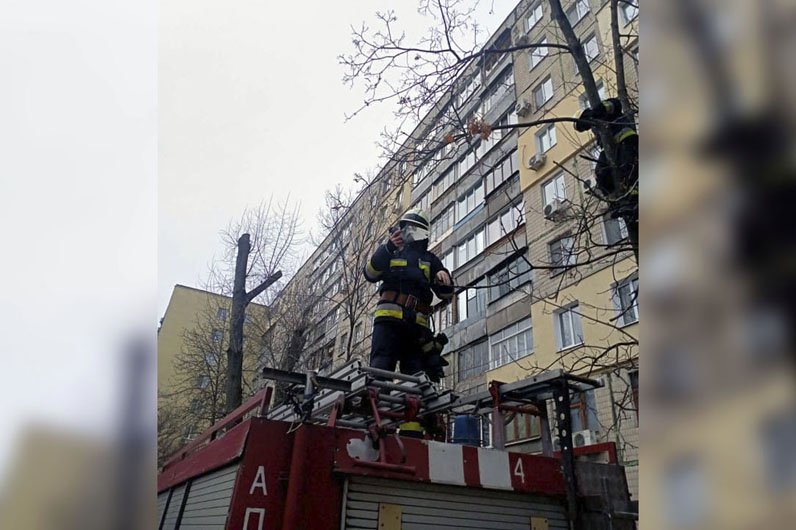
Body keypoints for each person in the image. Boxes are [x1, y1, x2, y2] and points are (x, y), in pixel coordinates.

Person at [363, 208, 454, 381]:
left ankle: (412, 405)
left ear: (423, 233)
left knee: (416, 375)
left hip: (417, 328)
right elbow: (370, 274)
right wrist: (388, 248)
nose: (410, 233)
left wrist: (444, 277)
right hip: (388, 321)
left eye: (415, 229)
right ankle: (377, 403)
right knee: (381, 368)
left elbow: (446, 295)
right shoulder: (390, 252)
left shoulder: (430, 259)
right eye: (407, 228)